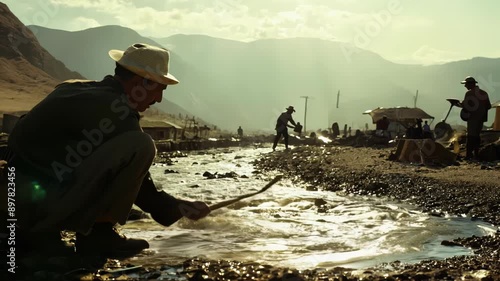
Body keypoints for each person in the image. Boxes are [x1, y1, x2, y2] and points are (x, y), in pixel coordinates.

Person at [1, 43, 211, 256]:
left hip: (11, 199)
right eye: (159, 89)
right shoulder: (117, 109)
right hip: (31, 209)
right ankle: (99, 235)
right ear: (141, 83)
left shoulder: (72, 88)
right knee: (142, 145)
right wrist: (176, 207)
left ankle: (43, 232)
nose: (158, 99)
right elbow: (144, 191)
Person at [460, 76, 491, 160]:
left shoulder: (469, 94)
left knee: (470, 136)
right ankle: (476, 154)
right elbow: (488, 106)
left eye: (466, 84)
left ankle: (469, 155)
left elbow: (466, 106)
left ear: (471, 84)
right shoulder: (484, 93)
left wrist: (461, 104)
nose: (465, 86)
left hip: (472, 117)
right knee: (477, 136)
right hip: (481, 118)